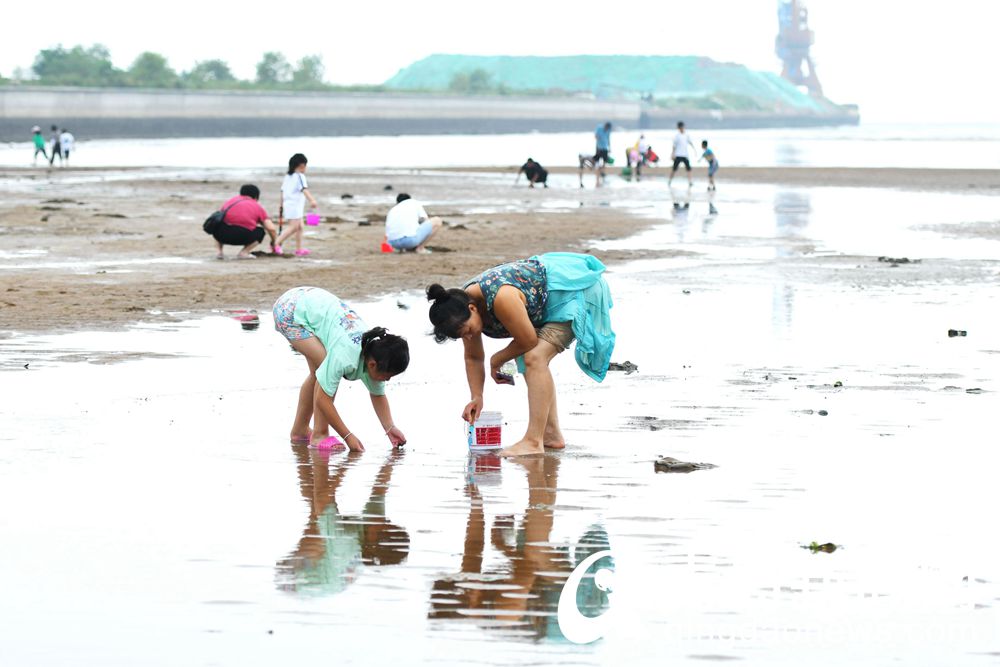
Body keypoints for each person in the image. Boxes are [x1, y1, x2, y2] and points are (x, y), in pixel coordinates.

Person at [426, 252, 615, 457]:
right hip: (547, 300)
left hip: (572, 291)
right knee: (528, 357)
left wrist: (496, 359)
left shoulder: (501, 297)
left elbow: (528, 340)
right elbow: (473, 357)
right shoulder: (457, 307)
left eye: (468, 330)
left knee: (533, 357)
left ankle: (534, 442)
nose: (469, 337)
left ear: (472, 308)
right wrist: (477, 396)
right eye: (462, 336)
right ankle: (550, 434)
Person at [273, 286, 410, 451]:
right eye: (387, 376)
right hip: (290, 311)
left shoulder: (375, 353)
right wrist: (347, 436)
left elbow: (378, 395)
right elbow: (323, 398)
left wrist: (390, 429)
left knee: (320, 373)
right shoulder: (345, 356)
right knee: (325, 368)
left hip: (307, 301)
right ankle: (319, 435)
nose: (387, 380)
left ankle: (300, 431)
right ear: (372, 364)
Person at [212, 184, 278, 260]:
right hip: (243, 236)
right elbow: (271, 229)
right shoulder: (257, 206)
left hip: (222, 235)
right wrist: (274, 242)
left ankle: (219, 252)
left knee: (217, 225)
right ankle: (244, 252)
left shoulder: (230, 201)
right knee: (260, 231)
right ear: (256, 196)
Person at [274, 153, 318, 257]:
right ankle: (276, 243)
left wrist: (281, 205)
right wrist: (312, 200)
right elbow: (304, 189)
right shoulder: (300, 176)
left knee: (300, 227)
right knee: (293, 227)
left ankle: (299, 249)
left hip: (289, 204)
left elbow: (282, 191)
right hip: (294, 206)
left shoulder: (288, 176)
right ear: (302, 165)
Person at [668, 121, 696, 187]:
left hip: (685, 155)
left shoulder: (687, 135)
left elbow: (690, 143)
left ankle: (690, 181)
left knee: (688, 169)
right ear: (678, 128)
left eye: (682, 127)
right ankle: (670, 181)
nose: (681, 128)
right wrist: (672, 154)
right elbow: (674, 146)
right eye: (680, 127)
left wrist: (694, 150)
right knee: (674, 169)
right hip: (678, 155)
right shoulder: (677, 136)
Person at [593, 122, 612, 187]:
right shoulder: (599, 128)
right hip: (599, 148)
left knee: (604, 162)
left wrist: (609, 147)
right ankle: (597, 180)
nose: (607, 129)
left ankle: (602, 174)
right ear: (605, 126)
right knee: (597, 163)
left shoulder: (609, 130)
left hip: (605, 148)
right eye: (606, 128)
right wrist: (598, 137)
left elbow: (608, 139)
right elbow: (595, 136)